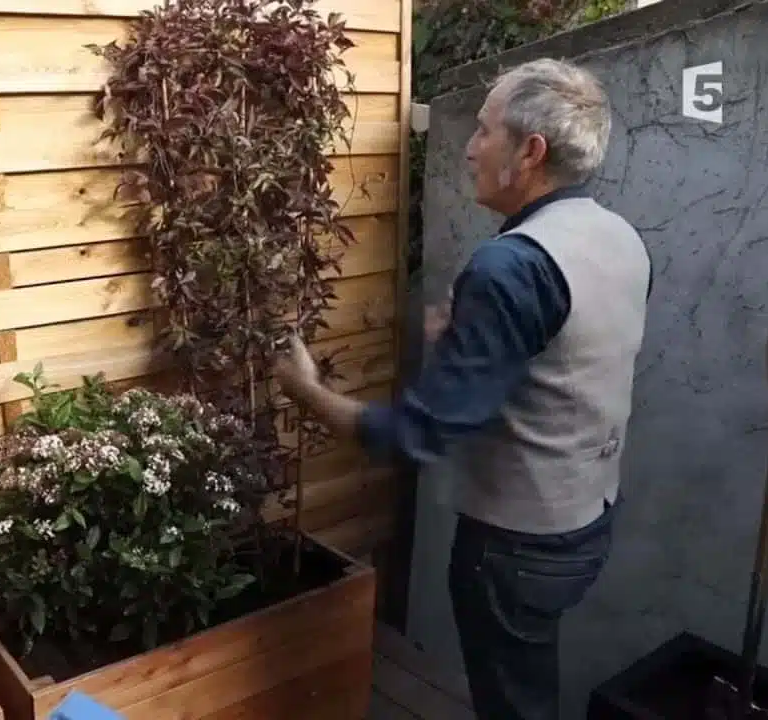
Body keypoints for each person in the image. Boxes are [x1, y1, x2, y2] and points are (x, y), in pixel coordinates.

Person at [273, 58, 652, 719]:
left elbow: (416, 435)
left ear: (529, 151)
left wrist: (305, 389)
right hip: (588, 520)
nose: (471, 147)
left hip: (517, 546)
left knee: (513, 702)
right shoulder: (618, 237)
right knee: (528, 676)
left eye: (484, 130)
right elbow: (571, 348)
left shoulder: (512, 268)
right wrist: (476, 339)